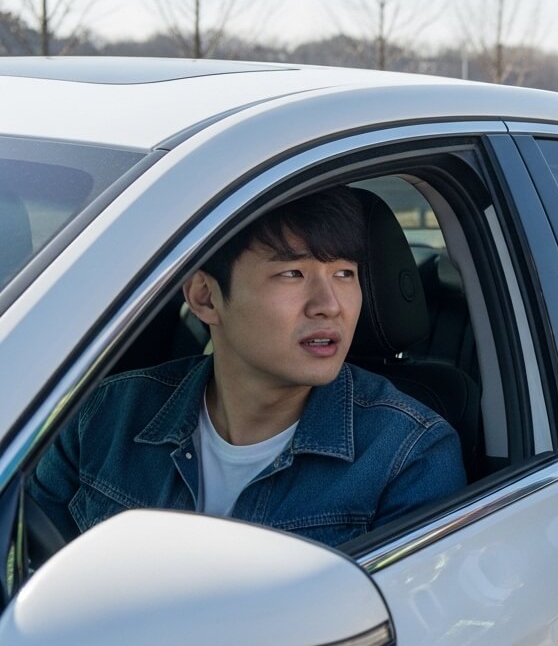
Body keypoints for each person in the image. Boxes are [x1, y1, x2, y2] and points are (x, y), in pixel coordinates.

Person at [29, 186, 466, 548]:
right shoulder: (105, 415)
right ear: (205, 297)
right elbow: (23, 569)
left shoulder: (406, 454)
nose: (329, 305)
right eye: (293, 274)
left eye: (345, 274)